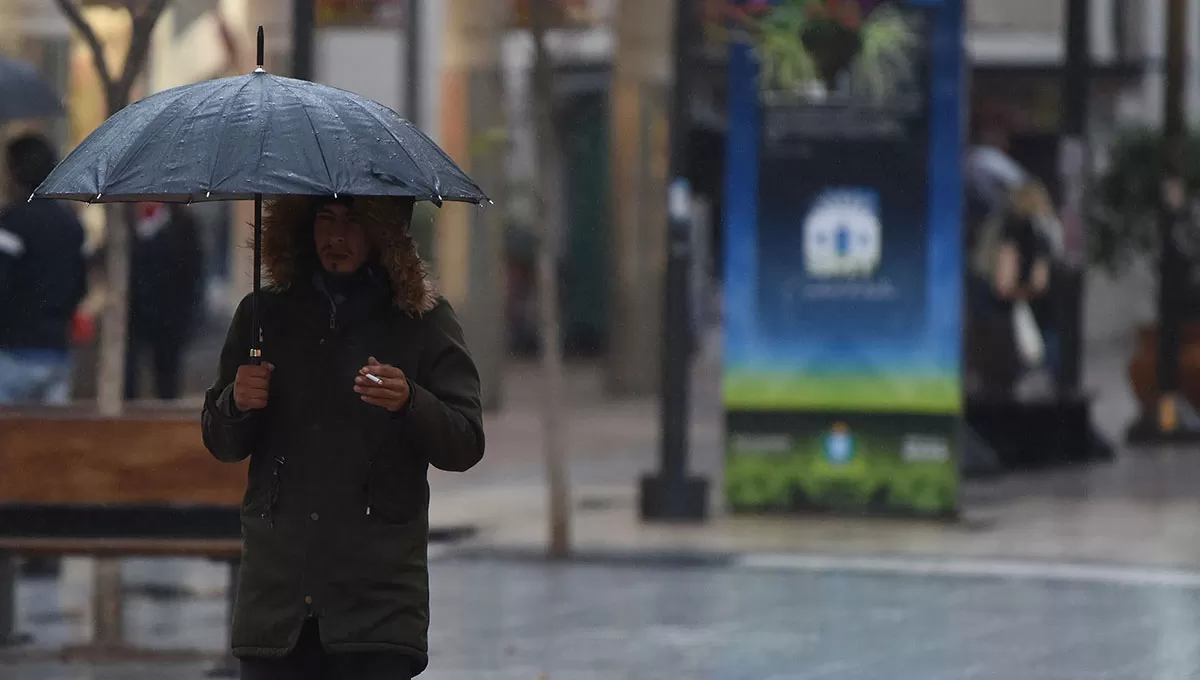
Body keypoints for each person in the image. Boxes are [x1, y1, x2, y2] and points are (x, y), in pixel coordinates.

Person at [201, 195, 484, 680]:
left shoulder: (422, 321)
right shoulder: (262, 316)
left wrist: (410, 401)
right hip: (278, 599)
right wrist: (236, 402)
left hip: (375, 603)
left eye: (354, 223)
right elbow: (223, 442)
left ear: (384, 233)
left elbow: (465, 442)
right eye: (325, 220)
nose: (337, 237)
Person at [0, 134, 87, 404]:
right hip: (57, 352)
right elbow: (79, 286)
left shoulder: (13, 223)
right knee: (50, 441)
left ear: (15, 172)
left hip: (14, 353)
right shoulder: (71, 225)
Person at [125, 202, 205, 400]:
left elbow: (193, 272)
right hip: (132, 315)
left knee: (168, 377)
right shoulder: (126, 222)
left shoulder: (182, 223)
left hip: (169, 316)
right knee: (129, 377)